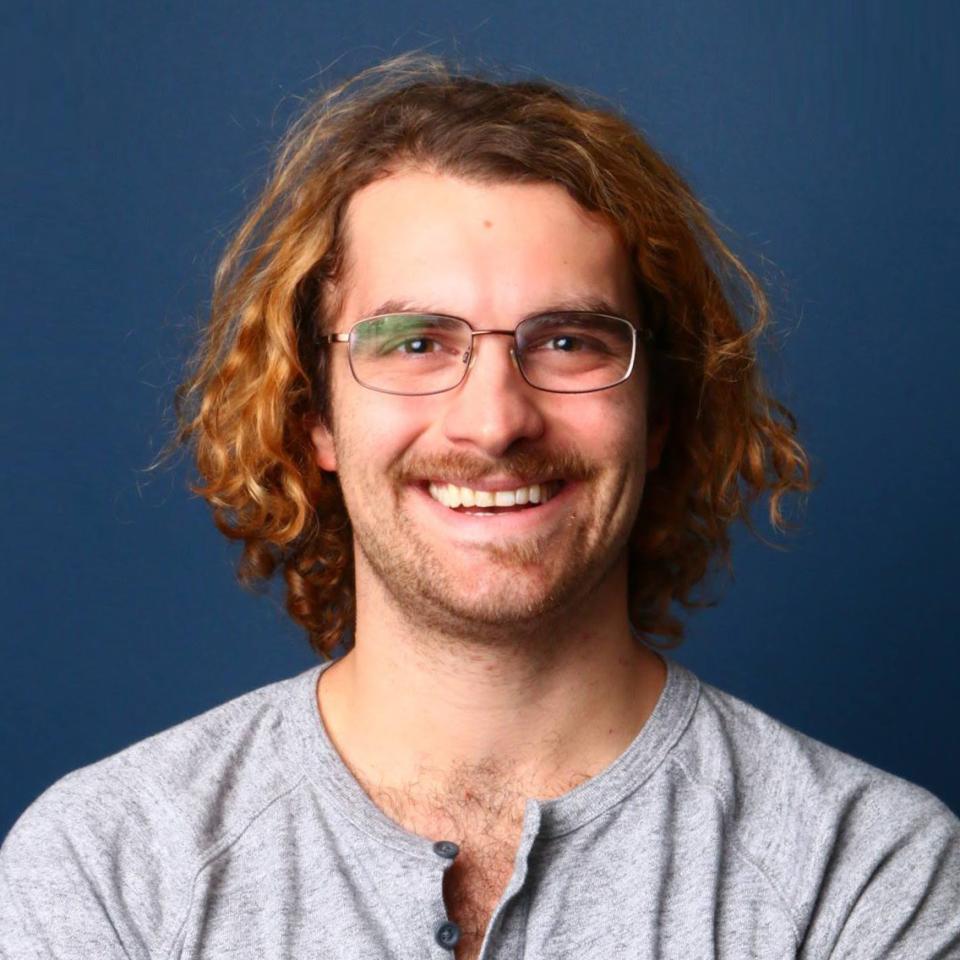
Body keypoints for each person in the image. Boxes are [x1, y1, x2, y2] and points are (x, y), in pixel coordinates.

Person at [2, 54, 958, 959]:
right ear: (313, 416)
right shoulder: (110, 869)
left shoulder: (862, 873)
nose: (494, 423)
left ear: (661, 411)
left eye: (569, 341)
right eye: (416, 343)